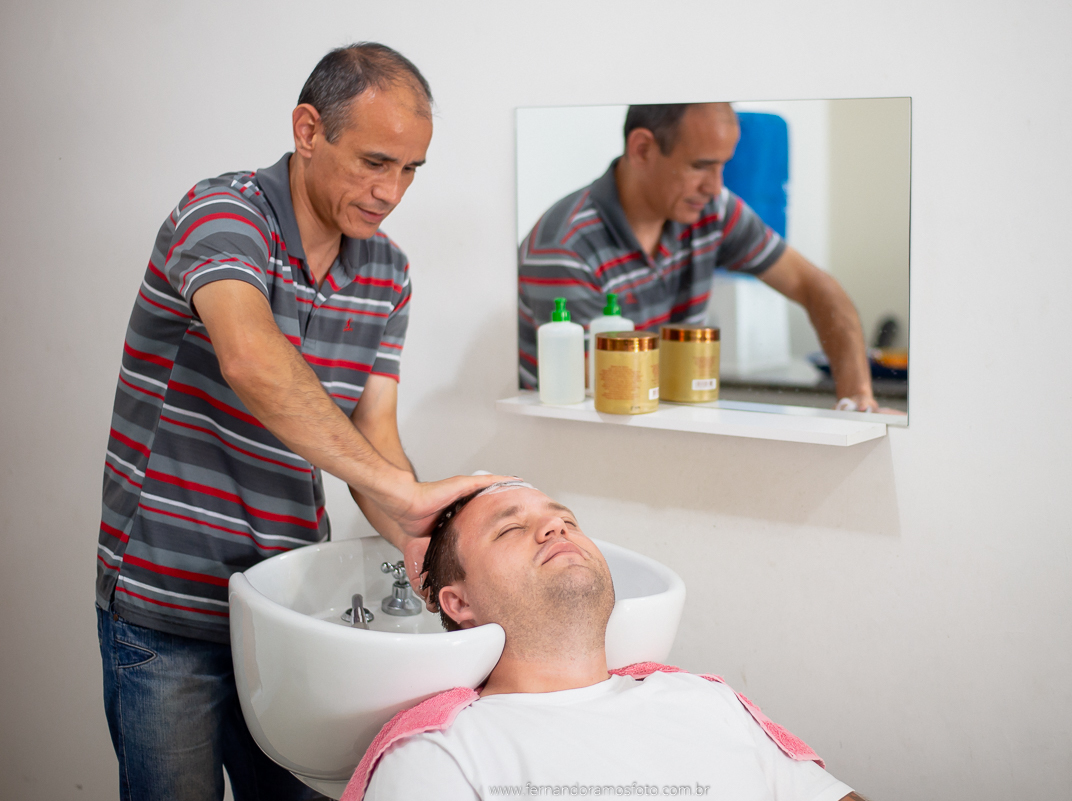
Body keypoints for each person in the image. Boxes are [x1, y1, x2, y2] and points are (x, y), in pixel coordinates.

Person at [94, 43, 506, 801]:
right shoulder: (222, 215)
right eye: (375, 161)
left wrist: (436, 542)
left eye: (411, 170)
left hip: (285, 605)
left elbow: (374, 438)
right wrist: (399, 488)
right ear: (309, 129)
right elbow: (251, 357)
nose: (391, 191)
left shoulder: (387, 271)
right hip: (167, 604)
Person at [355, 481, 870, 801]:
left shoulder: (707, 700)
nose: (554, 527)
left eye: (566, 520)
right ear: (458, 603)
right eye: (510, 529)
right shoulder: (442, 754)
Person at [518, 103, 885, 412]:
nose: (714, 186)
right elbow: (607, 391)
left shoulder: (712, 210)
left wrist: (858, 400)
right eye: (700, 166)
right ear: (643, 149)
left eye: (723, 165)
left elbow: (814, 285)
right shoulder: (565, 247)